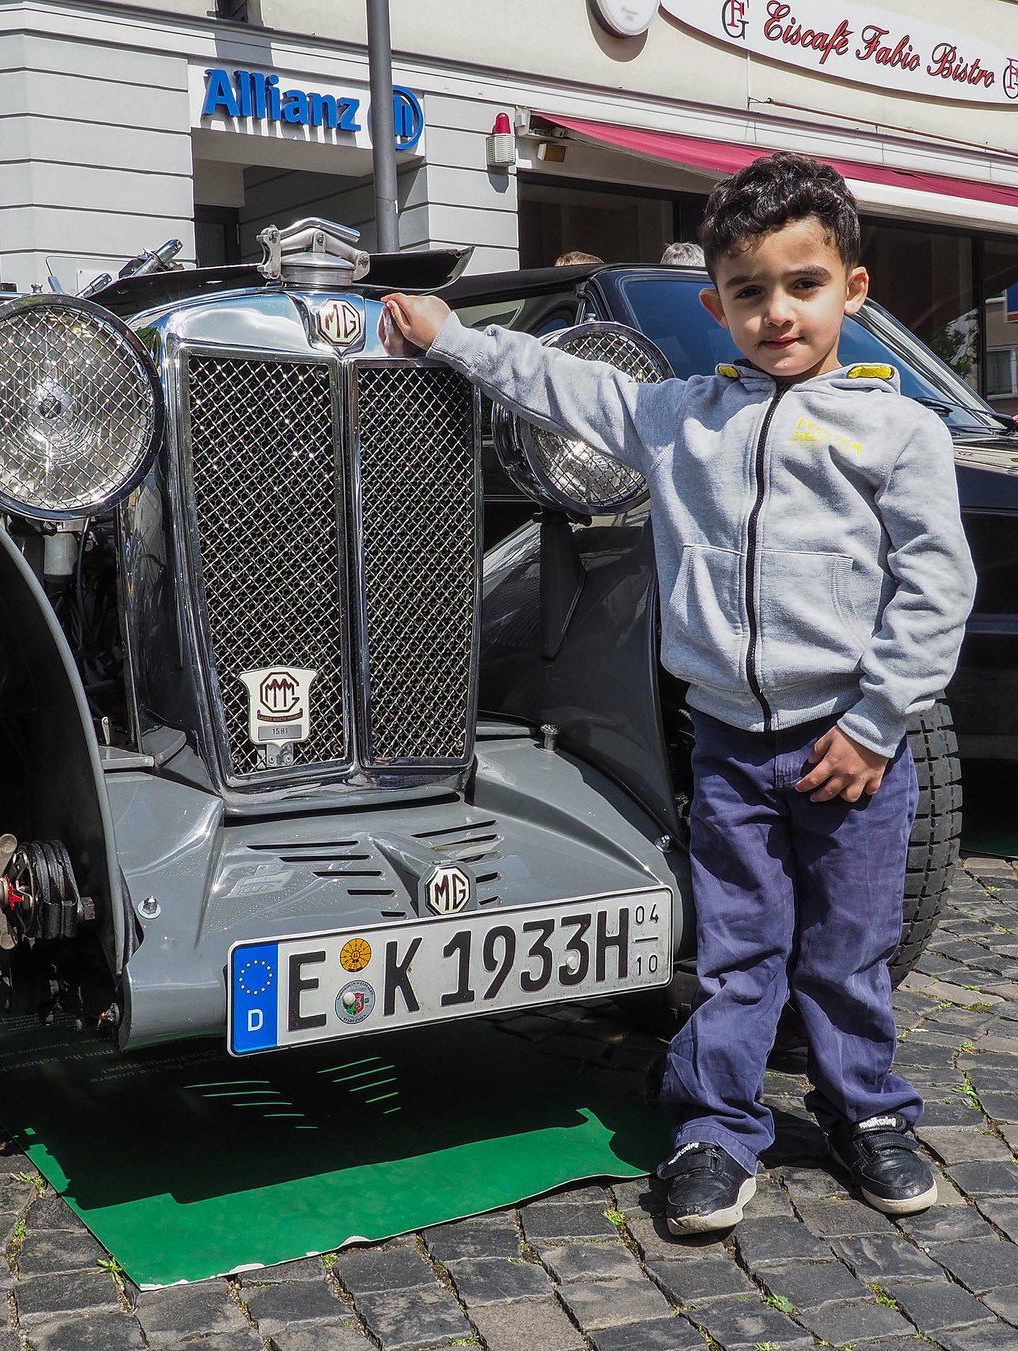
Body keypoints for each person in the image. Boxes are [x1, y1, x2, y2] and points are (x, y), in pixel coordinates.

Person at [383, 151, 973, 1232]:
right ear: (717, 306)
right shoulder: (680, 416)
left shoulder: (899, 431)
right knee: (737, 951)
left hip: (852, 745)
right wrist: (452, 336)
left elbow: (936, 589)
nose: (776, 312)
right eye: (749, 291)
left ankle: (867, 1114)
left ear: (852, 289)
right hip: (731, 746)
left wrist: (876, 720)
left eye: (803, 284)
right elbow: (568, 385)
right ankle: (715, 1128)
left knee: (848, 954)